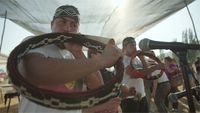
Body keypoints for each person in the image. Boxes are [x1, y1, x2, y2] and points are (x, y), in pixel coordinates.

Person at [17, 5, 122, 113]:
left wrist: (78, 53)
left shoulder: (75, 55)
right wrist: (102, 60)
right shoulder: (34, 43)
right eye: (62, 22)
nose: (67, 29)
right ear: (52, 24)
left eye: (74, 25)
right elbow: (34, 71)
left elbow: (97, 87)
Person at [120, 37, 164, 113]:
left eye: (135, 45)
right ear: (124, 47)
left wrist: (142, 58)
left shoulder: (136, 59)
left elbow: (148, 74)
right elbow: (134, 74)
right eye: (131, 45)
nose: (135, 47)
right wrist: (156, 67)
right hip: (130, 99)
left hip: (142, 96)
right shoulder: (124, 59)